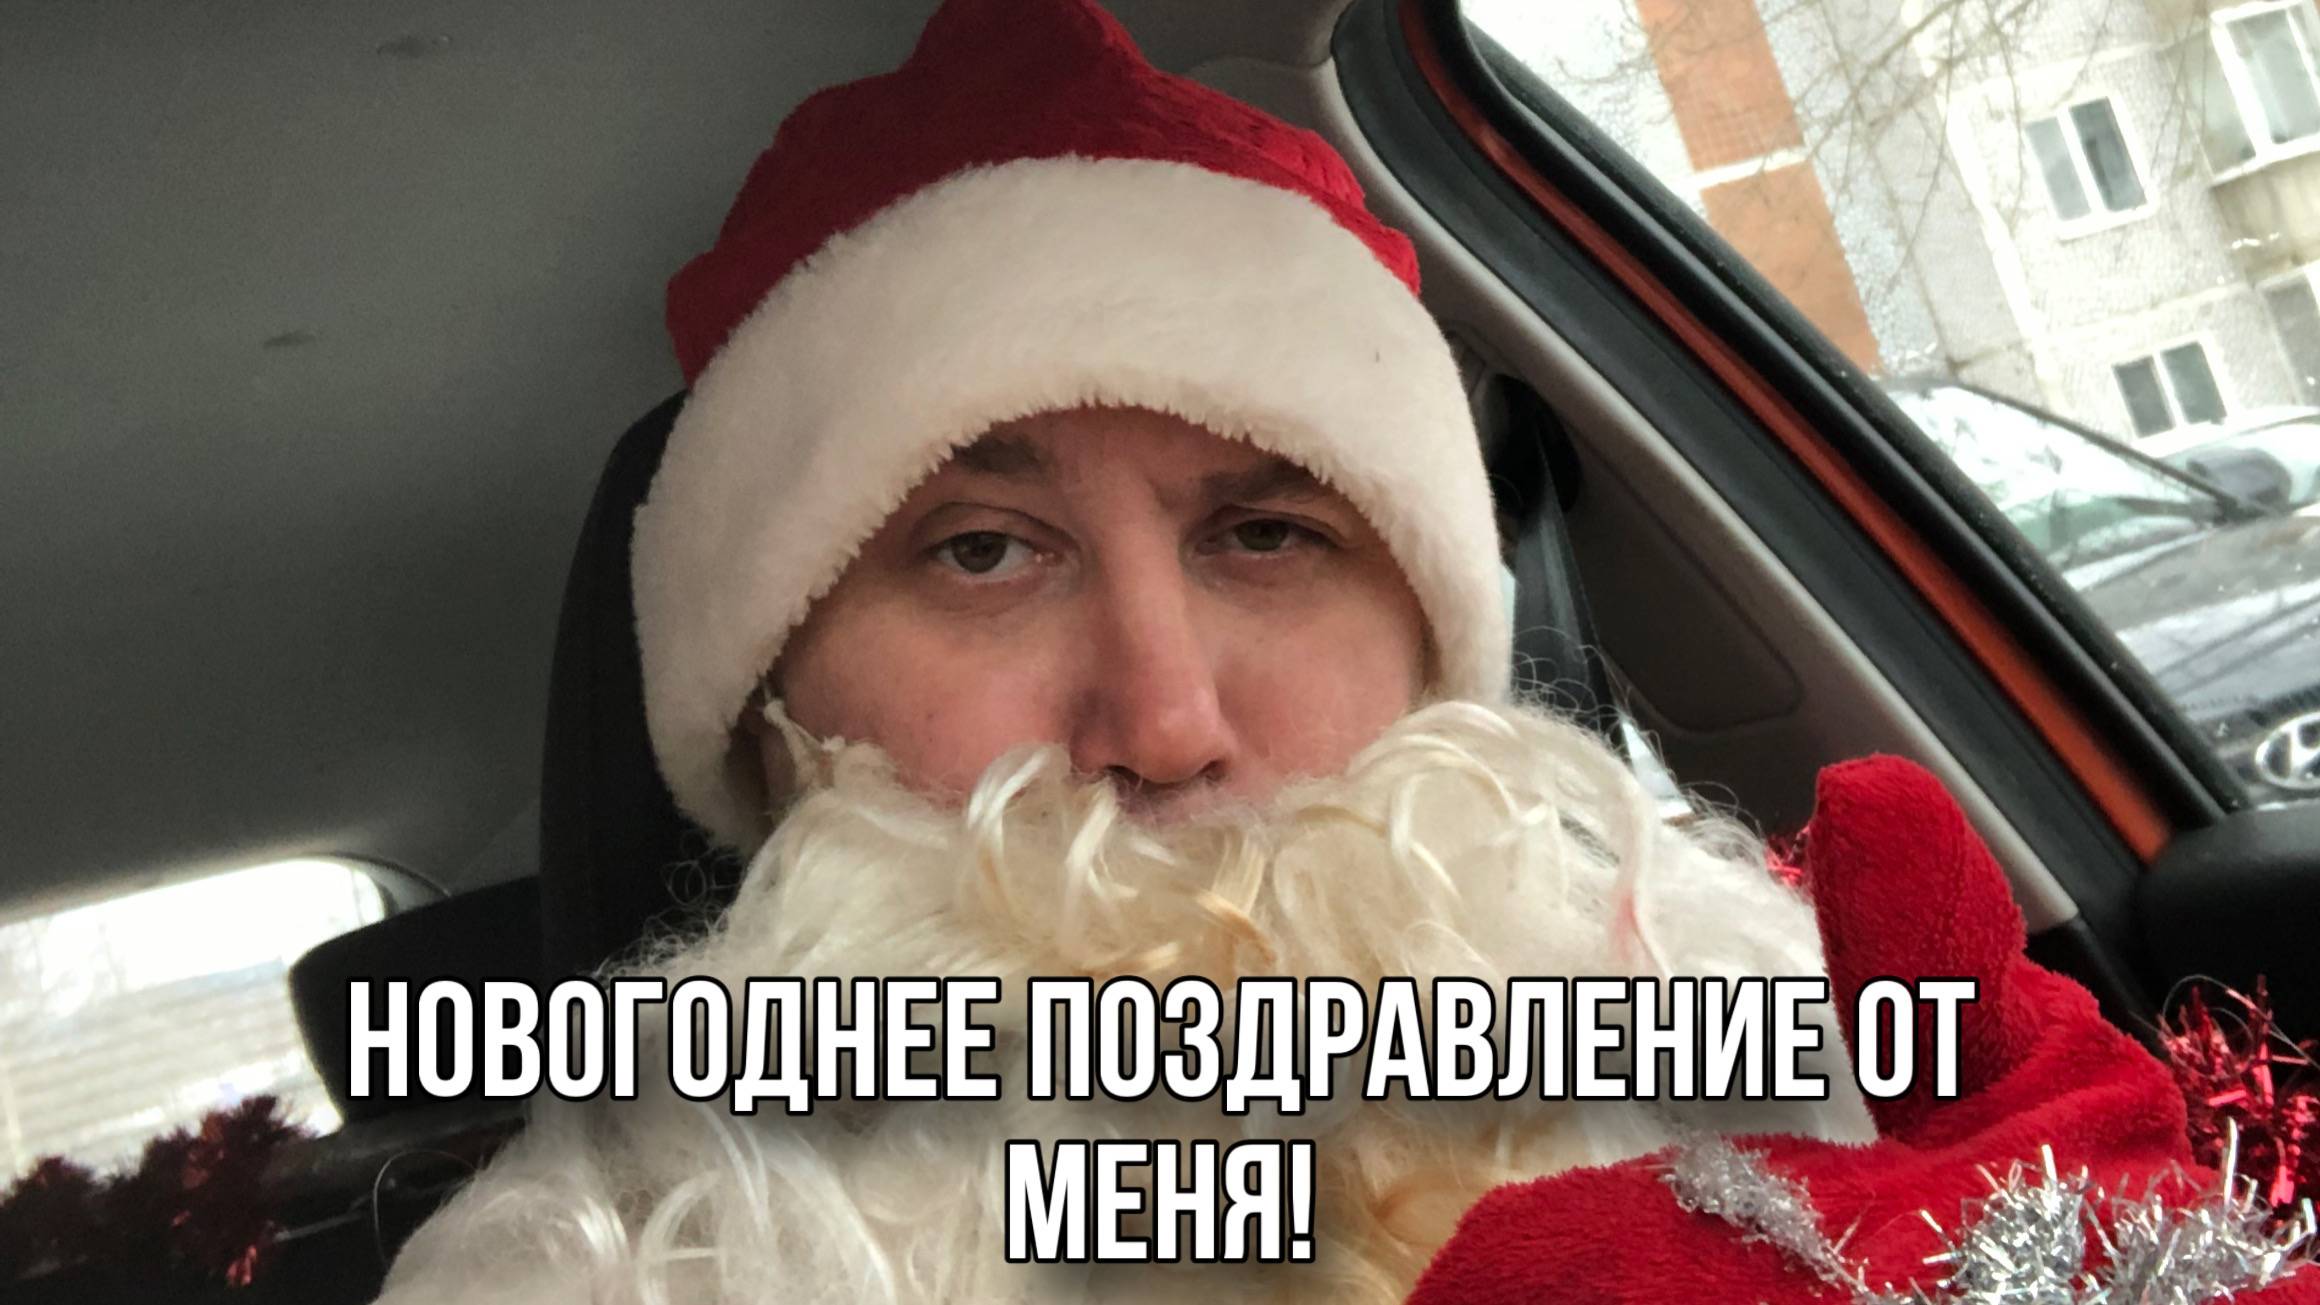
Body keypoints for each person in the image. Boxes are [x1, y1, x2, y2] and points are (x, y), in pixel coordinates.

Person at [375, 1, 2318, 1301]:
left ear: (1428, 640)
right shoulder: (613, 1263)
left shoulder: (1803, 1056)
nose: (1163, 717)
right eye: (980, 551)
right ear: (775, 718)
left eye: (1266, 534)